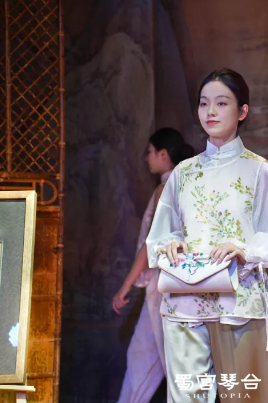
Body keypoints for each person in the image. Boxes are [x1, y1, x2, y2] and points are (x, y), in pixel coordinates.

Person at [146, 68, 268, 402]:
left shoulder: (258, 170)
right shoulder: (183, 173)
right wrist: (170, 244)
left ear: (242, 111)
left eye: (221, 103)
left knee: (246, 396)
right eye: (204, 103)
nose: (211, 111)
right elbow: (161, 234)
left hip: (238, 302)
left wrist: (245, 248)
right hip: (184, 303)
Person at [113, 127, 194, 403]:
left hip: (165, 285)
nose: (146, 157)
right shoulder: (185, 185)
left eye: (149, 151)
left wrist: (125, 286)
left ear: (163, 154)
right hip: (180, 284)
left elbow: (151, 244)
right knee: (163, 359)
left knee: (151, 357)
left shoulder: (166, 188)